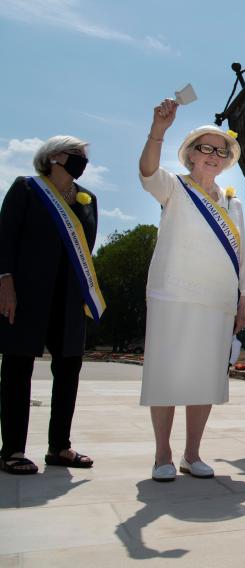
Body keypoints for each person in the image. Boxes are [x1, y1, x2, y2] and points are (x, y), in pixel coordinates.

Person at [138, 99, 245, 482]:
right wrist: (158, 131)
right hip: (174, 294)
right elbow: (147, 172)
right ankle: (162, 455)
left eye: (220, 151)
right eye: (206, 148)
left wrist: (243, 301)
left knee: (205, 377)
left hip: (217, 300)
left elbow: (242, 260)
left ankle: (192, 453)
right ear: (189, 155)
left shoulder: (233, 205)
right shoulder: (175, 187)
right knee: (166, 374)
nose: (213, 156)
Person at [0, 136, 100, 475]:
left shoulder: (88, 200)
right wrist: (6, 282)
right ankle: (12, 449)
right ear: (54, 156)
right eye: (77, 154)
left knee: (69, 368)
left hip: (70, 298)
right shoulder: (27, 189)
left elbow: (88, 250)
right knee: (18, 368)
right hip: (28, 293)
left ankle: (60, 446)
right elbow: (5, 239)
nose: (82, 160)